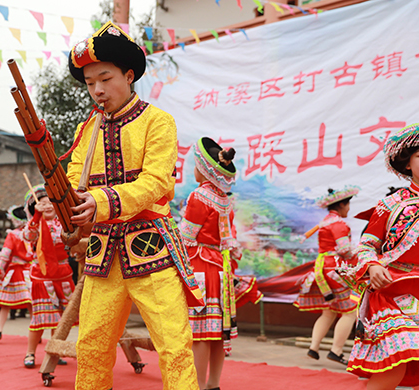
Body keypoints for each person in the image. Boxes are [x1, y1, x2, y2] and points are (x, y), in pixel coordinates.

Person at [65, 21, 202, 390]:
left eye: (105, 78)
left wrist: (101, 200)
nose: (97, 89)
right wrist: (67, 202)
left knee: (173, 345)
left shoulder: (158, 121)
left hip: (149, 246)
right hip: (101, 252)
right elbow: (74, 178)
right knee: (91, 346)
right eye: (90, 82)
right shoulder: (86, 131)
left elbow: (156, 182)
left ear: (128, 75)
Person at [344, 122, 419, 389]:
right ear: (408, 163)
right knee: (394, 364)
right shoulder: (390, 204)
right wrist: (373, 266)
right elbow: (366, 245)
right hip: (396, 292)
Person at [179, 138, 259, 389]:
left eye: (195, 165)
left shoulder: (198, 196)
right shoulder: (225, 200)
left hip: (200, 268)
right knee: (216, 332)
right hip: (220, 269)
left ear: (203, 169)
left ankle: (198, 385)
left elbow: (186, 237)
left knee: (200, 334)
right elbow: (228, 239)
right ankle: (213, 384)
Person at [294, 185, 359, 366]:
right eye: (348, 205)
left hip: (321, 269)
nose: (348, 209)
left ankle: (314, 347)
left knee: (329, 311)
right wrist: (362, 253)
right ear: (342, 205)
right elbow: (345, 250)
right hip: (335, 269)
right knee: (350, 312)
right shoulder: (339, 224)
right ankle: (336, 351)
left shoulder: (324, 223)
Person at [21, 186, 75, 368]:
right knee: (41, 317)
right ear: (35, 206)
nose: (47, 205)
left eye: (50, 201)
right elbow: (28, 237)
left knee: (60, 318)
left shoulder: (64, 223)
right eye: (42, 202)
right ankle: (30, 353)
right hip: (42, 276)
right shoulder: (33, 224)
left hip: (63, 274)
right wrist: (36, 216)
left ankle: (54, 350)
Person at [0, 205, 33, 343]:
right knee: (31, 302)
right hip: (30, 271)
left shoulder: (12, 234)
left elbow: (5, 253)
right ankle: (36, 332)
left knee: (5, 303)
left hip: (14, 272)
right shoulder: (33, 234)